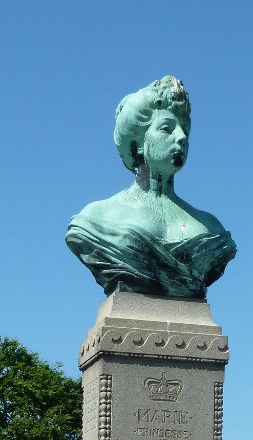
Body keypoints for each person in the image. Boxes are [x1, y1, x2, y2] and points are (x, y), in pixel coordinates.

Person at [66, 76, 237, 298]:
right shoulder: (96, 218)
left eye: (184, 129)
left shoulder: (212, 228)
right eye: (167, 128)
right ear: (138, 143)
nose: (181, 137)